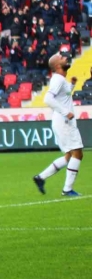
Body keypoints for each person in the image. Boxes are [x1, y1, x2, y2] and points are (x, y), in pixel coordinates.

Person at [33, 53, 84, 196]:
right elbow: (48, 99)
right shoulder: (58, 80)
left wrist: (72, 85)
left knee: (69, 155)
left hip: (60, 120)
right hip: (64, 121)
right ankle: (67, 189)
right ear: (57, 65)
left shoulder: (61, 79)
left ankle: (40, 177)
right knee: (78, 153)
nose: (66, 58)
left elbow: (65, 96)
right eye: (62, 58)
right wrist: (65, 112)